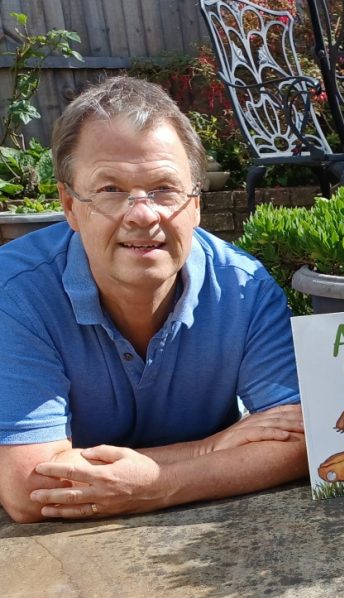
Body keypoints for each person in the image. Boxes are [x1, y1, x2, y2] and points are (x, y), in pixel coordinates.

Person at [0, 76, 308, 524]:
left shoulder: (245, 287)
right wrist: (206, 450)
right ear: (69, 206)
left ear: (197, 203)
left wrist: (157, 484)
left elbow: (299, 438)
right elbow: (32, 488)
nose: (143, 215)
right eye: (110, 190)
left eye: (164, 189)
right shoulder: (15, 292)